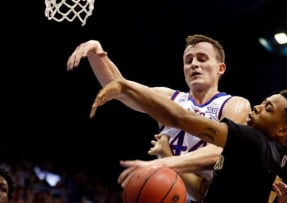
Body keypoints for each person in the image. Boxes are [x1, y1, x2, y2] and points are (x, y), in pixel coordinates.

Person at [67, 34, 251, 202]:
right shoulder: (169, 98)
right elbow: (121, 88)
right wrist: (97, 53)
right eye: (188, 61)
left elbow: (218, 152)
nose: (194, 64)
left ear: (221, 68)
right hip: (167, 193)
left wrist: (164, 159)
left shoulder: (234, 104)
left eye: (202, 59)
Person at [89, 76, 287, 203]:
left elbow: (180, 117)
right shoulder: (272, 161)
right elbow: (204, 190)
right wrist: (167, 155)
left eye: (268, 108)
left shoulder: (253, 143)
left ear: (282, 130)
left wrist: (126, 86)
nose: (258, 106)